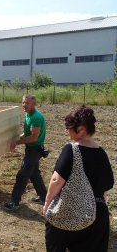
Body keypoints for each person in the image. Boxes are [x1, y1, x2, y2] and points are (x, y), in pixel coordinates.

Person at [43, 105, 114, 252]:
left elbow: (56, 181)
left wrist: (47, 203)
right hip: (98, 216)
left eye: (68, 127)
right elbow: (105, 190)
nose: (66, 130)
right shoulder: (102, 153)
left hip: (69, 212)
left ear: (81, 129)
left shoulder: (71, 149)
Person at [4, 95, 47, 211]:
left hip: (35, 149)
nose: (24, 105)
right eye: (23, 102)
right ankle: (44, 197)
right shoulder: (29, 115)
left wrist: (17, 143)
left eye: (27, 103)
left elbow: (33, 137)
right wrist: (16, 139)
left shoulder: (36, 117)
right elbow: (27, 133)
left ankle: (14, 202)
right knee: (34, 174)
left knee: (22, 175)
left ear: (34, 104)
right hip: (31, 149)